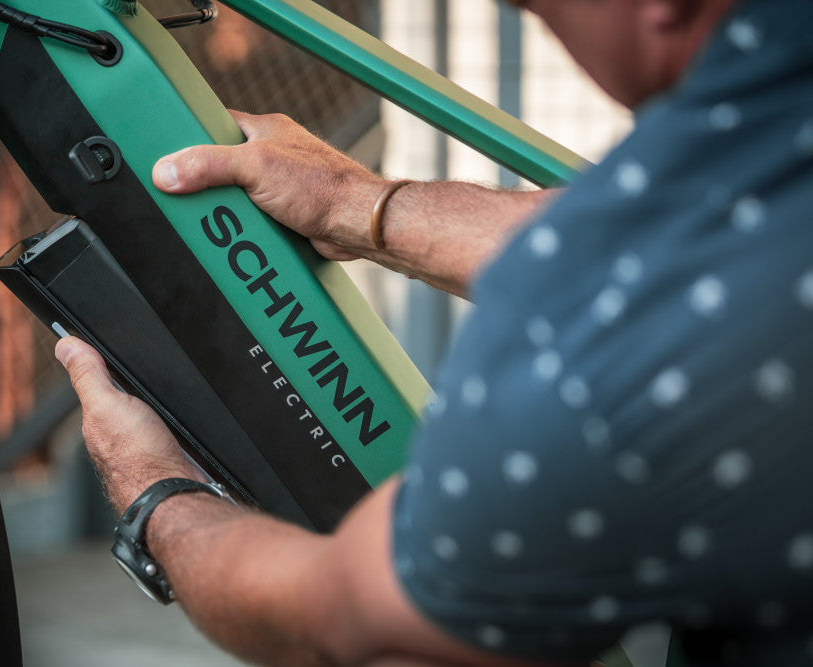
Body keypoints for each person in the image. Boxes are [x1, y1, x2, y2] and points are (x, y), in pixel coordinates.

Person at [55, 0, 813, 663]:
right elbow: (689, 232)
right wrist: (365, 205)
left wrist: (155, 492)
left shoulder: (609, 359)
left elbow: (339, 618)